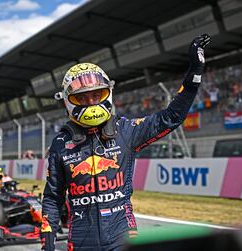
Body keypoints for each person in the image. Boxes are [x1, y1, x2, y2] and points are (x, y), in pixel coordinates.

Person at [41, 34, 211, 250]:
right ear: (67, 100)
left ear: (108, 93)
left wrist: (194, 74)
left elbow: (171, 117)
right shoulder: (60, 143)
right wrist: (47, 244)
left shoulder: (126, 130)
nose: (91, 102)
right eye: (83, 97)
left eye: (96, 95)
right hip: (82, 240)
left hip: (123, 237)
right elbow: (52, 198)